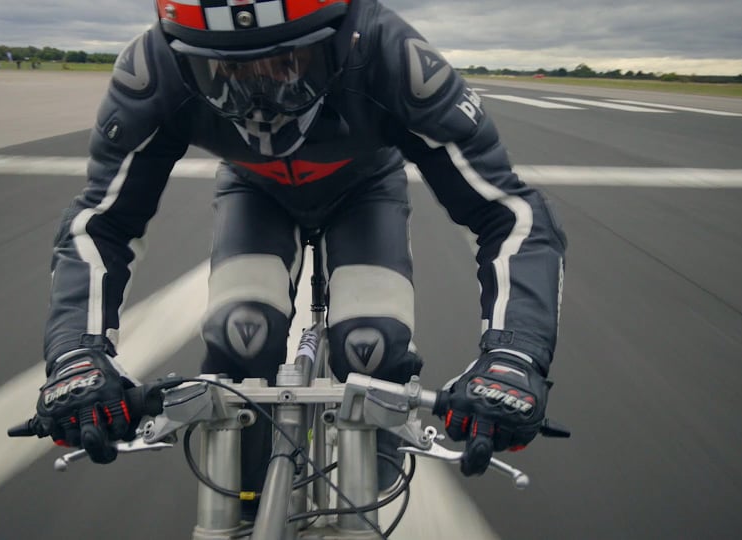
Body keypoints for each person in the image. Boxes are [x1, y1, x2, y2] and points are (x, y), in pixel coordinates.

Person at [29, 0, 566, 519]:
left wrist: (514, 354)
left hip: (364, 191)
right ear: (180, 51)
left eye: (289, 64)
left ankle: (365, 500)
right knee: (243, 331)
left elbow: (508, 214)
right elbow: (101, 224)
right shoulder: (157, 68)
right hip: (257, 192)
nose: (260, 98)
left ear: (346, 36)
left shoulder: (392, 54)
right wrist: (78, 355)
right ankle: (247, 503)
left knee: (370, 343)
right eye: (222, 71)